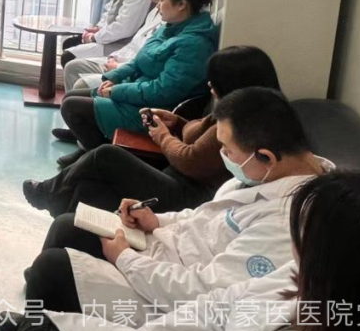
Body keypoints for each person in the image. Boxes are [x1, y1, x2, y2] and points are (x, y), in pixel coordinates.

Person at [0, 88, 332, 331]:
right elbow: (203, 216)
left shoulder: (288, 223)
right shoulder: (264, 173)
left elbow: (206, 295)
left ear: (266, 156)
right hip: (166, 253)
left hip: (173, 299)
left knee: (52, 270)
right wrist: (158, 220)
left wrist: (125, 258)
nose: (223, 157)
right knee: (68, 225)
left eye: (228, 150)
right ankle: (35, 323)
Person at [64, 172, 360, 331]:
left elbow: (205, 289)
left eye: (304, 241)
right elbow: (224, 303)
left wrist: (128, 259)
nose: (295, 251)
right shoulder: (306, 282)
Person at [25, 46, 281, 217]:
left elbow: (191, 161)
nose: (210, 85)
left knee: (105, 156)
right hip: (176, 176)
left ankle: (49, 193)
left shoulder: (241, 123)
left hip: (188, 195)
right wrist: (177, 122)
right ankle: (65, 227)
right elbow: (198, 135)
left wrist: (164, 137)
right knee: (87, 189)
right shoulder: (236, 107)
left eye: (215, 81)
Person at [58, 0, 219, 160]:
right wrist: (114, 77)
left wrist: (115, 91)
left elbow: (163, 91)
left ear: (181, 4)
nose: (158, 7)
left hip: (153, 110)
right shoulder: (170, 27)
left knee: (71, 106)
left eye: (162, 0)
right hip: (138, 94)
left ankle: (97, 158)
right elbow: (139, 60)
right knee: (70, 96)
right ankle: (89, 151)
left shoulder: (194, 44)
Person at [60, 0, 186, 101]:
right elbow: (134, 42)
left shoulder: (172, 21)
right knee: (72, 66)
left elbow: (128, 34)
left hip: (131, 69)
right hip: (123, 59)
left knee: (77, 83)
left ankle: (84, 108)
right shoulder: (154, 11)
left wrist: (118, 65)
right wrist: (114, 55)